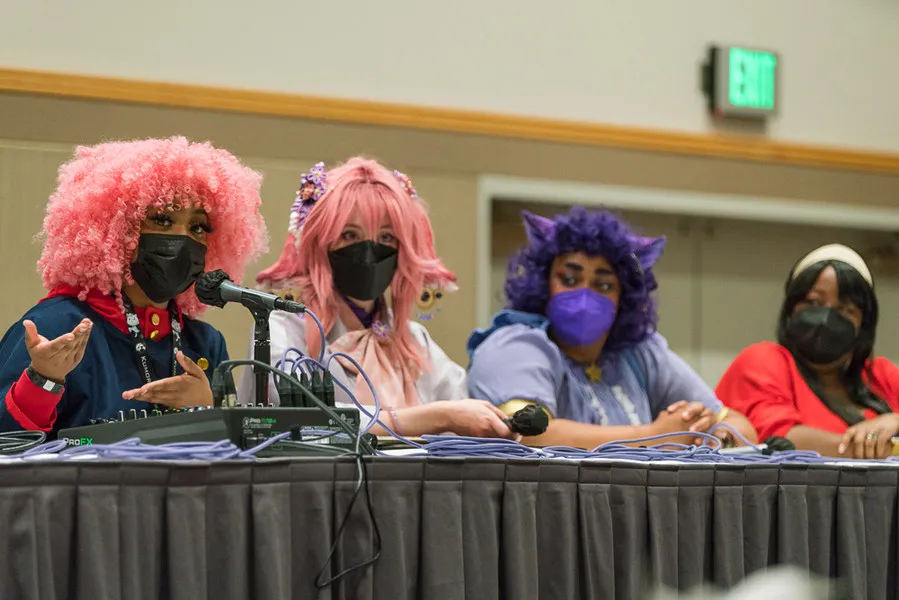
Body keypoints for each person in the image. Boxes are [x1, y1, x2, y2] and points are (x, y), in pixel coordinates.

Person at [0, 137, 268, 433]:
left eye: (198, 227)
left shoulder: (205, 343)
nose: (184, 239)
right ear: (114, 230)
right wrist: (43, 380)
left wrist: (206, 409)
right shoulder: (55, 326)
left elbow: (236, 458)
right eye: (162, 220)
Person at [242, 158, 514, 439]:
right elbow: (298, 423)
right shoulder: (282, 330)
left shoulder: (414, 340)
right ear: (320, 241)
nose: (370, 251)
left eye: (386, 237)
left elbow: (459, 414)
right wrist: (433, 418)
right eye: (349, 235)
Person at [467, 207, 756, 448]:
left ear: (623, 298)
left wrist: (716, 436)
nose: (584, 296)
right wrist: (654, 436)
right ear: (543, 284)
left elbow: (741, 427)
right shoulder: (516, 343)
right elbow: (525, 433)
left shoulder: (640, 353)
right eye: (568, 280)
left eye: (603, 285)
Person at [716, 244, 899, 459]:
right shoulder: (764, 360)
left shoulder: (879, 375)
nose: (825, 318)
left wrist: (895, 420)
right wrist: (878, 447)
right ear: (791, 309)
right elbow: (780, 442)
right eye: (813, 302)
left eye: (845, 309)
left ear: (863, 324)